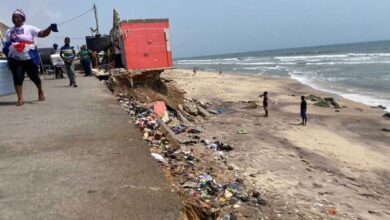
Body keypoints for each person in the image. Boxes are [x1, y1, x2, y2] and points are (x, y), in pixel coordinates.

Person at [2, 9, 57, 106]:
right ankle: (20, 98)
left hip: (29, 57)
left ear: (23, 18)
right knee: (17, 77)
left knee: (34, 77)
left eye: (18, 17)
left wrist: (49, 28)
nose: (15, 18)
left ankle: (40, 90)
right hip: (16, 59)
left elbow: (42, 34)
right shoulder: (9, 31)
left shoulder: (29, 28)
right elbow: (8, 44)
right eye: (13, 17)